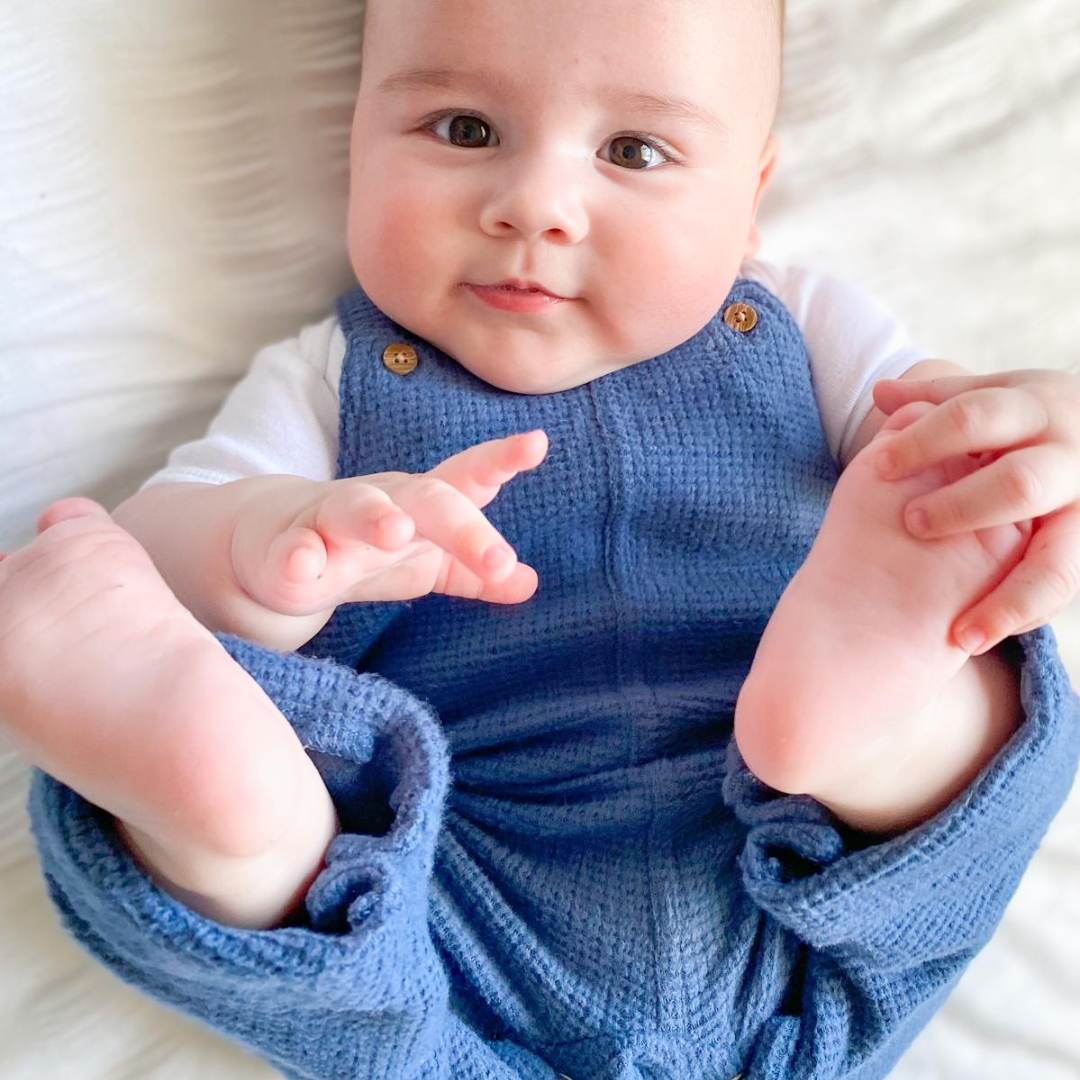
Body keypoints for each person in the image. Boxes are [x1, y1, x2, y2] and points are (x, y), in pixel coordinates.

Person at [5, 0, 1080, 1077]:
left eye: (634, 150)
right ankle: (878, 731)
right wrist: (268, 548)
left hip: (497, 945)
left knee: (331, 986)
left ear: (747, 201)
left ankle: (237, 829)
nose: (534, 205)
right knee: (979, 757)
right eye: (466, 130)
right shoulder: (333, 377)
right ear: (359, 143)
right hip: (472, 866)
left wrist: (975, 461)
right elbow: (169, 546)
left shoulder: (807, 325)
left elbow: (938, 446)